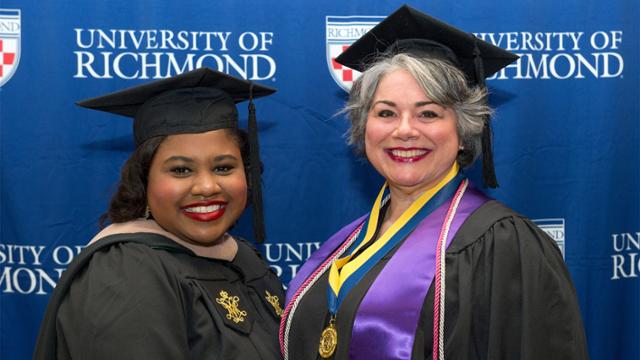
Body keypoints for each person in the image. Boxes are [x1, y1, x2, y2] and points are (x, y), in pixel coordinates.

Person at [280, 5, 588, 360]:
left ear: (463, 130)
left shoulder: (502, 245)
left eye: (428, 113)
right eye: (386, 113)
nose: (405, 130)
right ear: (364, 127)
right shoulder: (345, 244)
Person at [33, 68, 284, 360]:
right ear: (144, 179)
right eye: (180, 170)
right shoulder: (126, 271)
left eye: (224, 167)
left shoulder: (242, 257)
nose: (206, 186)